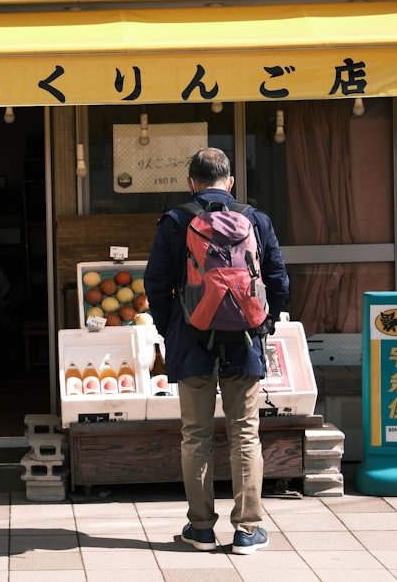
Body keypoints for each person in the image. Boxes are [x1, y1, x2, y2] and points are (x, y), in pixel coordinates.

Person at [144, 147, 290, 555]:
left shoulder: (175, 221)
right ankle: (247, 530)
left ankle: (202, 529)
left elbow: (155, 284)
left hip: (191, 340)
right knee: (245, 433)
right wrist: (262, 325)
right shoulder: (256, 219)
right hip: (244, 341)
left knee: (196, 435)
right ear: (230, 182)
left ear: (191, 182)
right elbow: (278, 281)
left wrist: (170, 329)